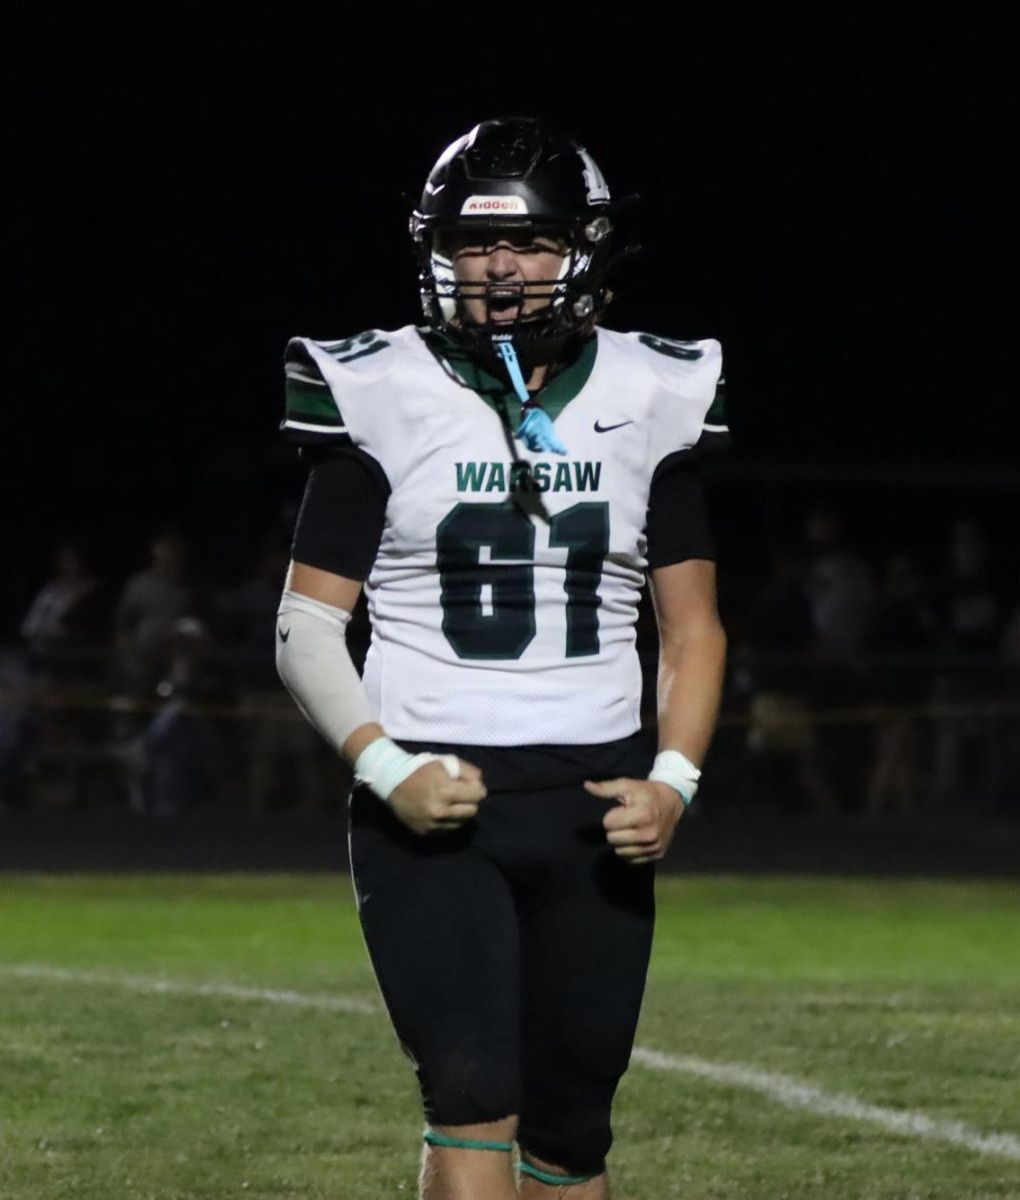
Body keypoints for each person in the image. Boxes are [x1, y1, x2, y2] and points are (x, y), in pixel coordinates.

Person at [276, 117, 728, 1199]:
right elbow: (302, 626)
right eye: (478, 246)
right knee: (472, 1095)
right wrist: (387, 768)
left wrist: (673, 782)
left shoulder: (652, 389)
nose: (500, 270)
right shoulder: (374, 384)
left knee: (573, 1130)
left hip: (592, 798)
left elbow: (693, 629)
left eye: (529, 244)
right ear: (439, 251)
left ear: (585, 251)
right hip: (434, 788)